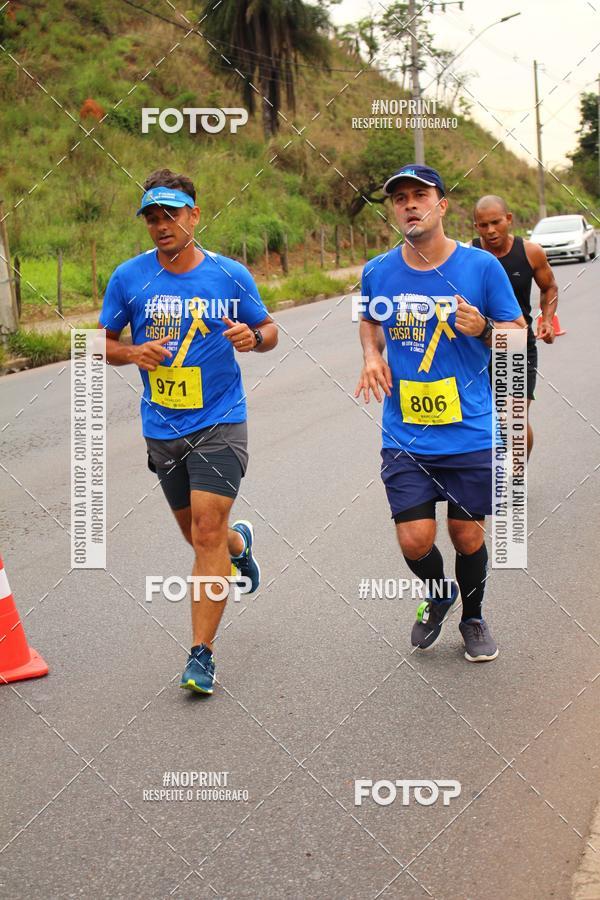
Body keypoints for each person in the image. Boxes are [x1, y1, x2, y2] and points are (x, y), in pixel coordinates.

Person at [99, 168, 278, 695]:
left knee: (203, 532)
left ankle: (201, 654)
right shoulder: (128, 278)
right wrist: (130, 351)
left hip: (220, 420)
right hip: (163, 426)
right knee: (201, 537)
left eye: (171, 214)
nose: (161, 225)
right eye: (152, 217)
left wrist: (253, 337)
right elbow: (96, 344)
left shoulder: (229, 275)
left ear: (194, 216)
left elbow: (268, 330)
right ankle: (238, 544)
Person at [355, 164, 526, 662]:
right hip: (405, 432)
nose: (409, 204)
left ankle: (473, 618)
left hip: (469, 430)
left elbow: (518, 337)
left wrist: (483, 329)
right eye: (400, 198)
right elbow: (368, 318)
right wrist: (371, 355)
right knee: (414, 540)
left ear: (442, 205)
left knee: (466, 533)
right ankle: (438, 592)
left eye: (419, 195)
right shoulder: (378, 271)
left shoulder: (481, 268)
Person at [472, 195, 558, 458]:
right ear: (476, 226)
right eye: (483, 225)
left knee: (514, 420)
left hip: (517, 345)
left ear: (508, 219)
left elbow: (549, 287)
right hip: (478, 347)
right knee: (484, 420)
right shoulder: (470, 254)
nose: (490, 231)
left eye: (496, 223)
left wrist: (546, 320)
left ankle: (516, 476)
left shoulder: (530, 252)